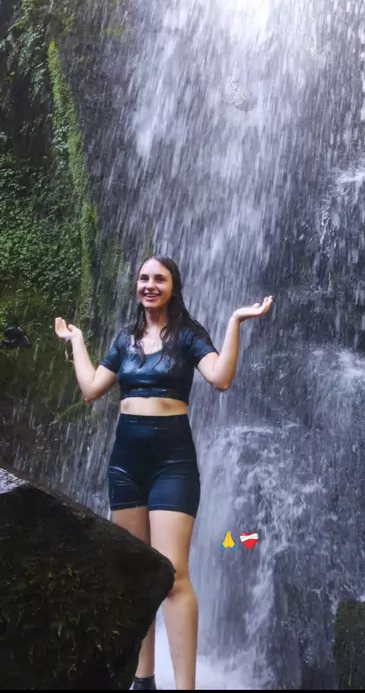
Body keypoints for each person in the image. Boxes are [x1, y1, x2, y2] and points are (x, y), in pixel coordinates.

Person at [54, 254, 274, 691]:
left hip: (173, 463)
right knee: (134, 570)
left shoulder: (189, 336)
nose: (149, 285)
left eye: (159, 278)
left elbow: (221, 379)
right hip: (125, 465)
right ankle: (143, 680)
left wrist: (234, 322)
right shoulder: (125, 339)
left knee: (172, 575)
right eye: (143, 278)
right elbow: (91, 389)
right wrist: (76, 340)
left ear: (173, 287)